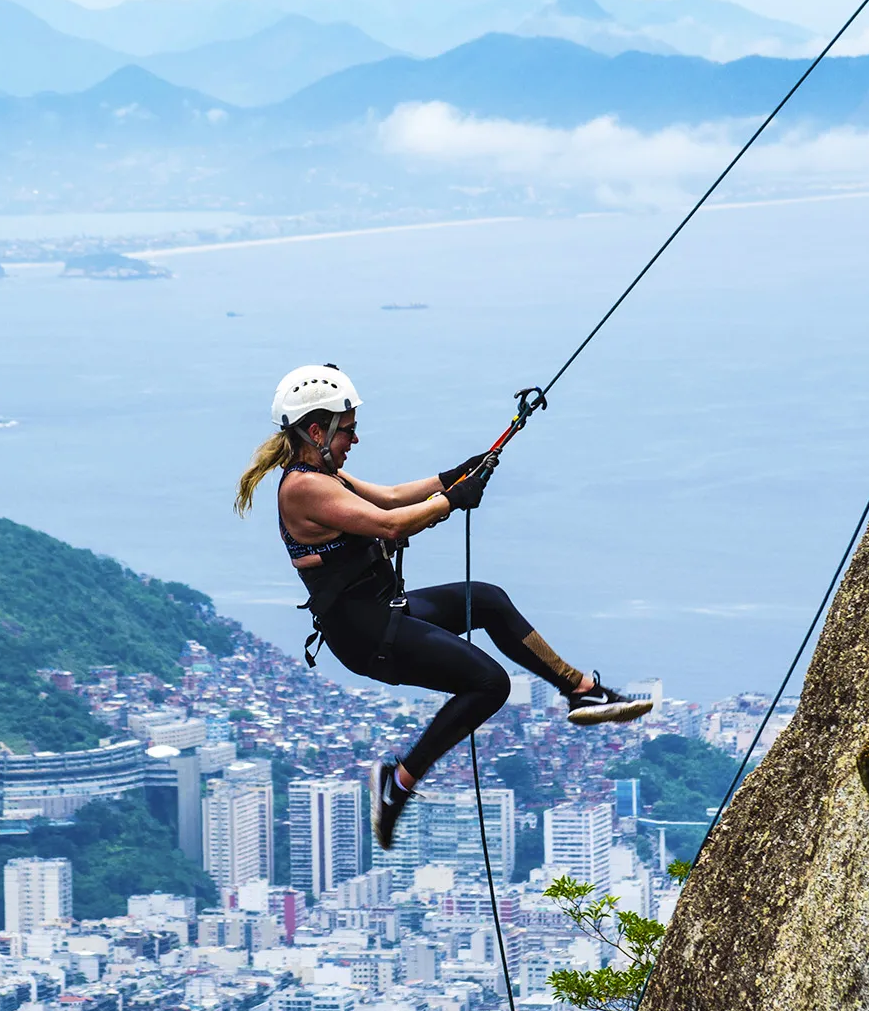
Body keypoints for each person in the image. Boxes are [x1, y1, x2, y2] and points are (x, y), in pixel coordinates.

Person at [236, 364, 653, 849]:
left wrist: (456, 476)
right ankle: (398, 783)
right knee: (490, 683)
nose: (355, 439)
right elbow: (391, 524)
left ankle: (579, 689)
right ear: (316, 429)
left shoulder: (326, 476)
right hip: (365, 633)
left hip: (382, 611)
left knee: (488, 601)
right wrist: (450, 501)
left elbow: (391, 497)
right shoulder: (305, 488)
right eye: (347, 429)